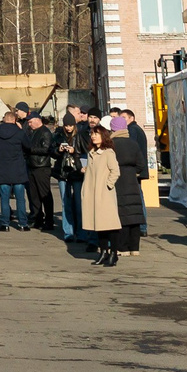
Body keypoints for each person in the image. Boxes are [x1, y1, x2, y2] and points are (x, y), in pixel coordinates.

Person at [80, 125, 123, 268]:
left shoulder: (108, 152)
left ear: (103, 136)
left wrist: (107, 185)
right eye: (92, 134)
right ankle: (104, 252)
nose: (93, 136)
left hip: (104, 194)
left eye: (96, 134)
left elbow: (115, 171)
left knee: (110, 224)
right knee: (99, 224)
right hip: (92, 193)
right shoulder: (91, 152)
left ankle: (113, 253)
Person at [109, 109, 148, 255]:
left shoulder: (111, 144)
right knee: (134, 214)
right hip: (132, 180)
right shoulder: (133, 143)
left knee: (122, 213)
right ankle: (134, 248)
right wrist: (133, 173)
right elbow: (141, 164)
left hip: (118, 181)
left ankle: (123, 247)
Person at [0, 105, 30, 231]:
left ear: (4, 119)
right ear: (14, 120)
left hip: (2, 169)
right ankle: (23, 224)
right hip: (18, 169)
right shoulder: (19, 132)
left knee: (4, 198)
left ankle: (5, 224)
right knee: (20, 199)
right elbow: (28, 147)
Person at [58, 111, 90, 243]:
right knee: (65, 203)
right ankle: (68, 232)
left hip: (76, 172)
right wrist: (58, 150)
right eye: (66, 125)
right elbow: (51, 151)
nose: (68, 128)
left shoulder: (80, 136)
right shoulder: (59, 135)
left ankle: (81, 232)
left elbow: (86, 153)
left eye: (70, 125)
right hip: (63, 173)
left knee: (79, 203)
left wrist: (74, 151)